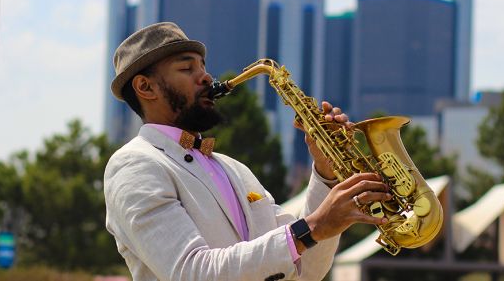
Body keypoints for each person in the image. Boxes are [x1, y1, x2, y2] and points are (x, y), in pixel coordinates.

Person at [104, 22, 392, 281]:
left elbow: (307, 271)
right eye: (186, 68)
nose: (205, 77)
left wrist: (326, 173)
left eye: (203, 67)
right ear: (145, 87)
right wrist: (313, 227)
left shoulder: (234, 169)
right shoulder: (135, 164)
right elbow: (193, 273)